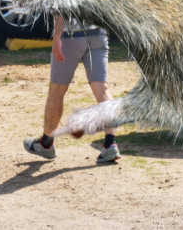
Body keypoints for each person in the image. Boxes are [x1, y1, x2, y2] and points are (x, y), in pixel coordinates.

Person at [24, 14, 119, 164]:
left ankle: (46, 144)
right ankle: (110, 143)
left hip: (71, 35)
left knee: (57, 91)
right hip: (98, 33)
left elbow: (61, 9)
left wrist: (57, 38)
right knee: (102, 89)